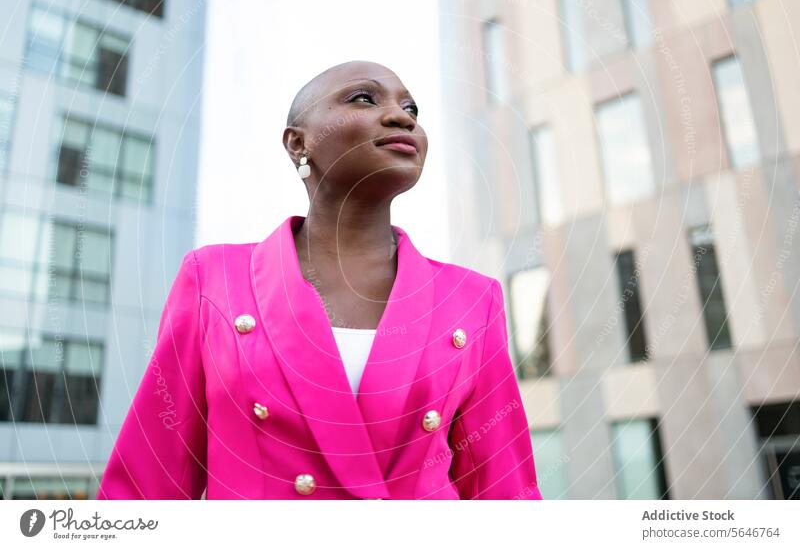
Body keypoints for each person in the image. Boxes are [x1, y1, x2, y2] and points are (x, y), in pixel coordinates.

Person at [97, 61, 543, 500]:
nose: (401, 116)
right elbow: (146, 487)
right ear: (298, 142)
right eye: (364, 98)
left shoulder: (472, 299)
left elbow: (504, 492)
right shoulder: (213, 280)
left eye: (412, 109)